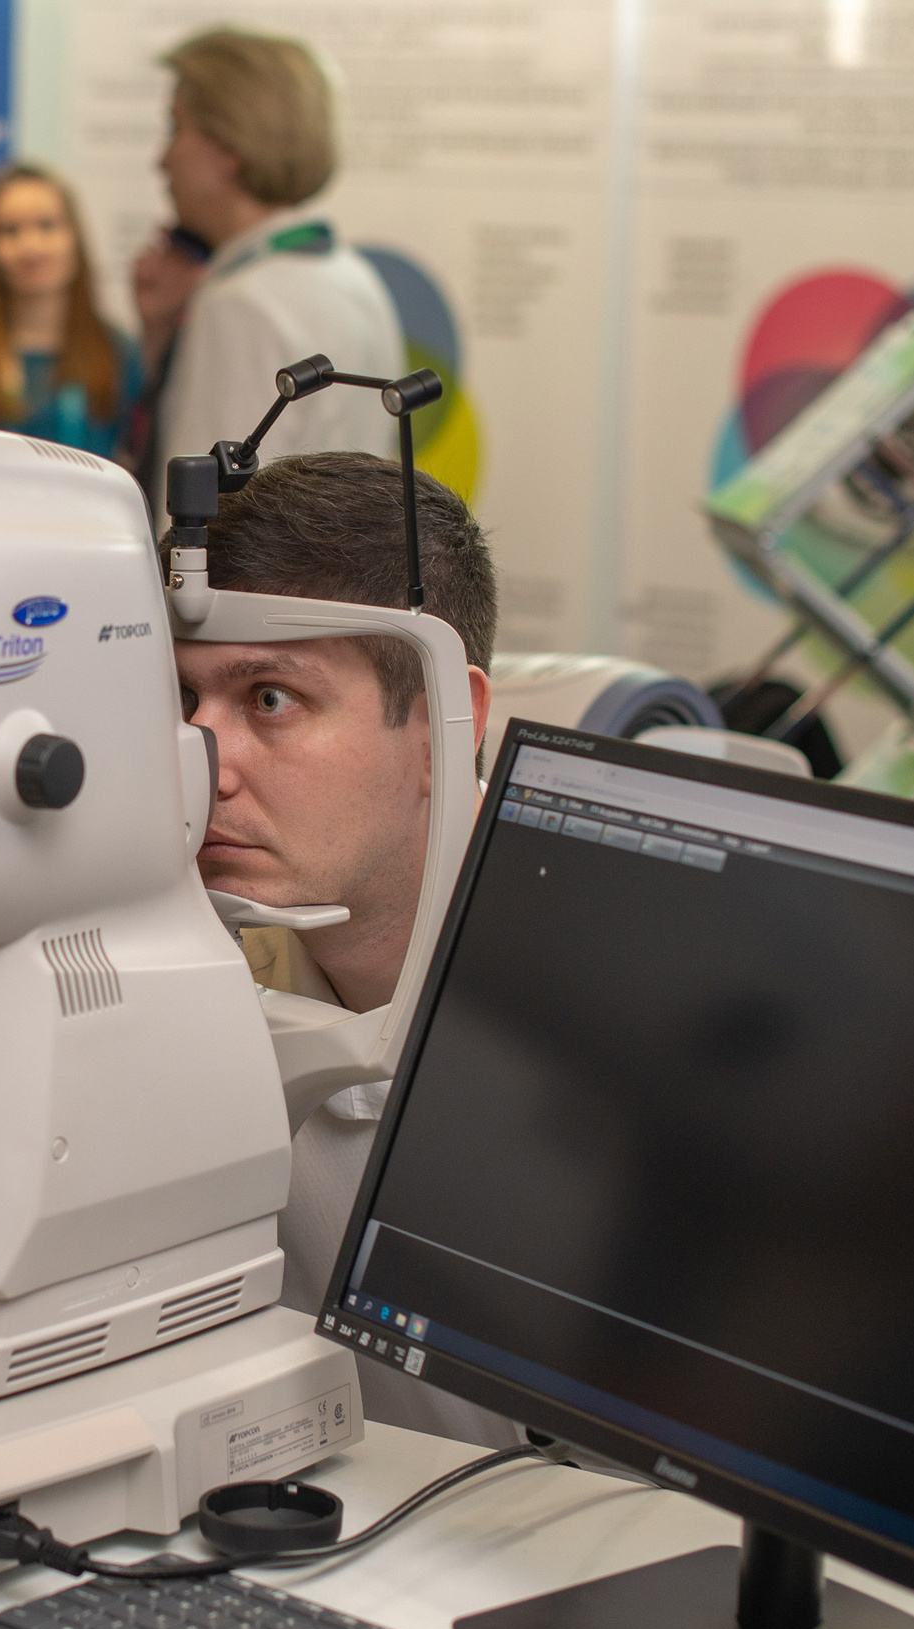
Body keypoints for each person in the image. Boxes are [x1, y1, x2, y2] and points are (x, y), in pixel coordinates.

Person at [170, 451, 513, 1447]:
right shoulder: (191, 950)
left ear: (447, 727)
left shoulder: (619, 1002)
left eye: (269, 698)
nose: (203, 766)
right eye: (181, 702)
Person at [139, 29, 404, 511]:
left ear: (227, 149)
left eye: (176, 128)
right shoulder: (355, 277)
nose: (162, 160)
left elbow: (202, 529)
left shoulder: (241, 304)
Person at [0, 162, 141, 458]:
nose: (30, 247)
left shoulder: (119, 354)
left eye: (47, 225)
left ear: (75, 237)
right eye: (9, 231)